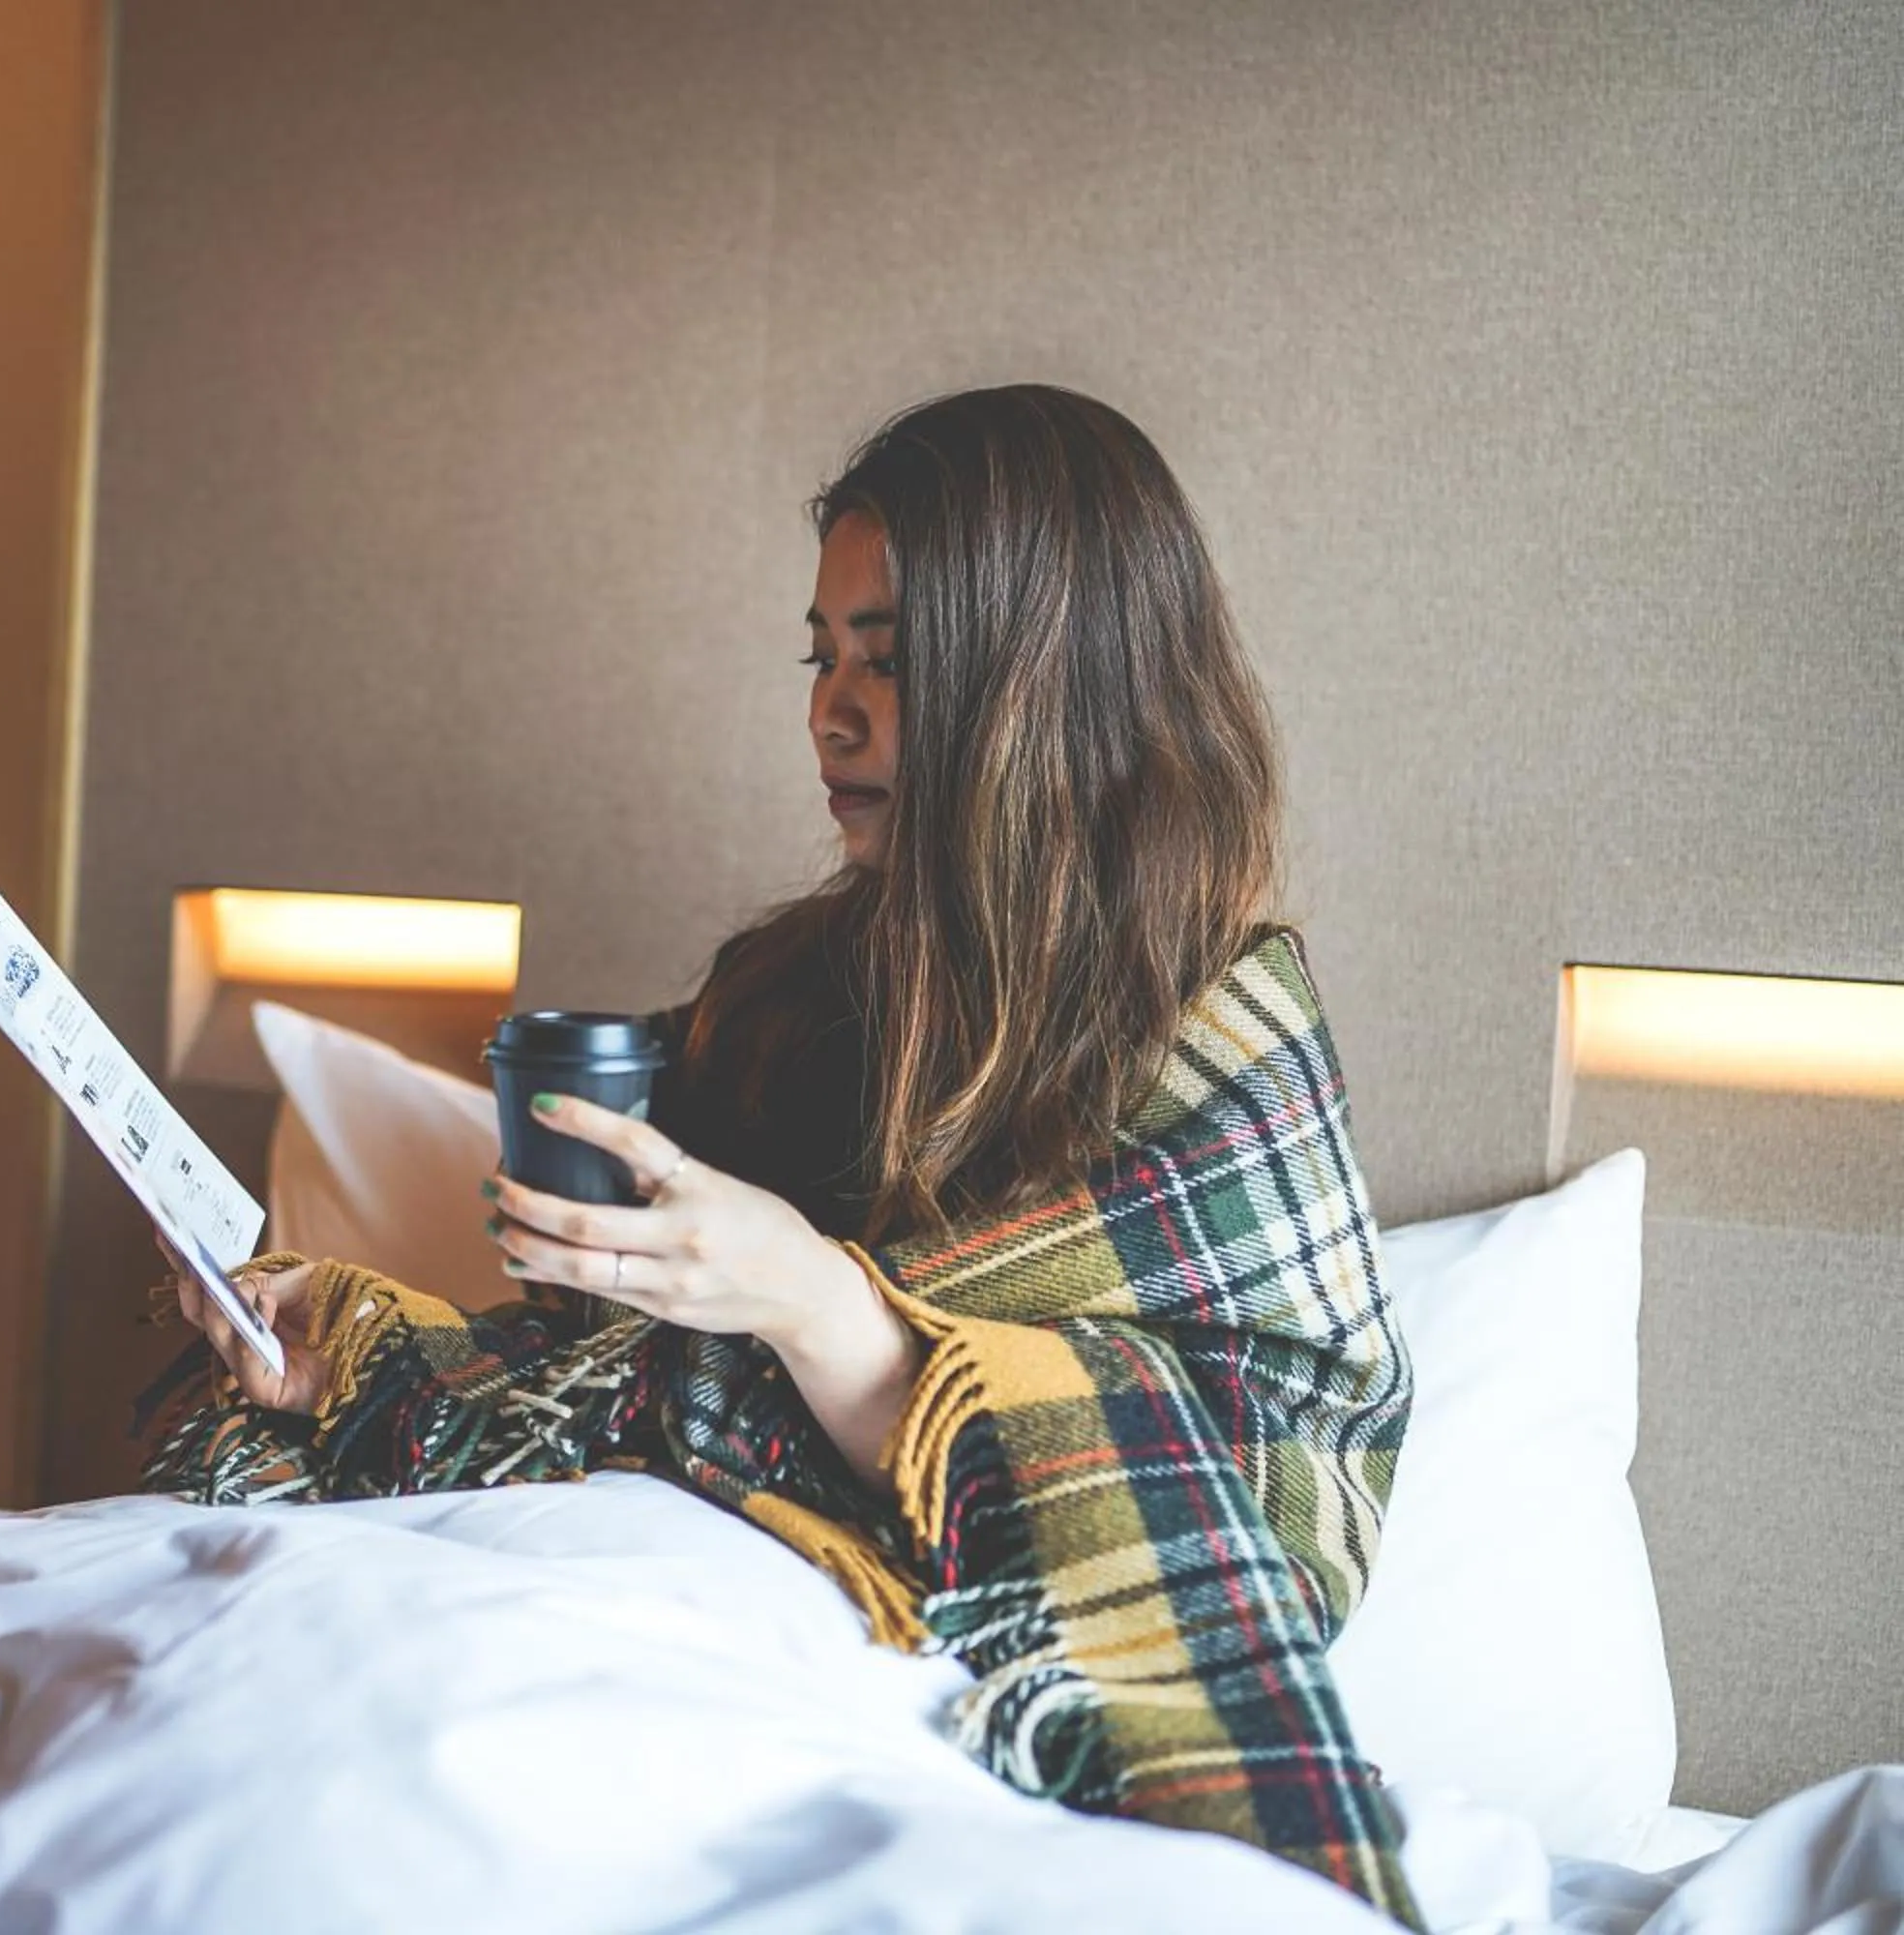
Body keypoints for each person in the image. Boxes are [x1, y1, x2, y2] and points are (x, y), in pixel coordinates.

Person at [136, 385, 1418, 1924]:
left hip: (917, 1658)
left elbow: (1268, 1516)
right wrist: (322, 1352)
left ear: (1048, 679)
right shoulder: (778, 1000)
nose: (831, 709)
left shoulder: (1221, 1050)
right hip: (590, 1575)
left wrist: (814, 1303)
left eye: (893, 657)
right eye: (823, 656)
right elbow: (589, 1377)